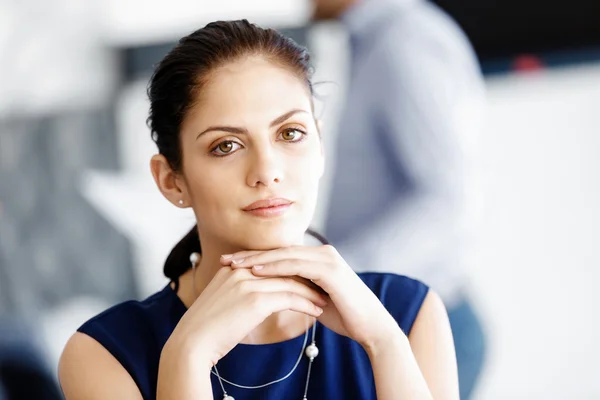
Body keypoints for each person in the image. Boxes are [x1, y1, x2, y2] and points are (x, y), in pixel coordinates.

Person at [58, 20, 458, 400]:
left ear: (319, 146)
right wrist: (188, 356)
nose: (267, 171)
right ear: (171, 180)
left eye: (290, 133)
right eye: (226, 146)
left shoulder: (409, 313)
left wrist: (385, 344)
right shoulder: (103, 353)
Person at [311, 0, 487, 398]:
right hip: (386, 314)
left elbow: (445, 197)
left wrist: (338, 274)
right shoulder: (374, 41)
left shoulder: (404, 42)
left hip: (417, 323)